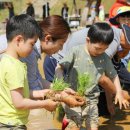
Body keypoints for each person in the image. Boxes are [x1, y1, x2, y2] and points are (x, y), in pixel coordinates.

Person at [0, 14, 84, 130]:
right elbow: (24, 98)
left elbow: (36, 81)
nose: (60, 49)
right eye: (61, 44)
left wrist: (61, 90)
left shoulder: (26, 48)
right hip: (10, 120)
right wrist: (61, 97)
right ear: (48, 39)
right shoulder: (25, 53)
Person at [55, 22, 129, 130]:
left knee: (93, 127)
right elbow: (59, 67)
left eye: (104, 49)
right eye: (98, 48)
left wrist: (118, 92)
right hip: (74, 97)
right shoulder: (76, 51)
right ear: (88, 40)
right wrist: (60, 86)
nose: (100, 52)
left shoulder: (104, 57)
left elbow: (113, 76)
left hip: (92, 100)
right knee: (74, 127)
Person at [109, 6, 130, 89]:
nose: (126, 21)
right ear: (117, 19)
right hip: (113, 64)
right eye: (123, 18)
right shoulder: (114, 31)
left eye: (128, 18)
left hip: (122, 64)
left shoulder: (128, 32)